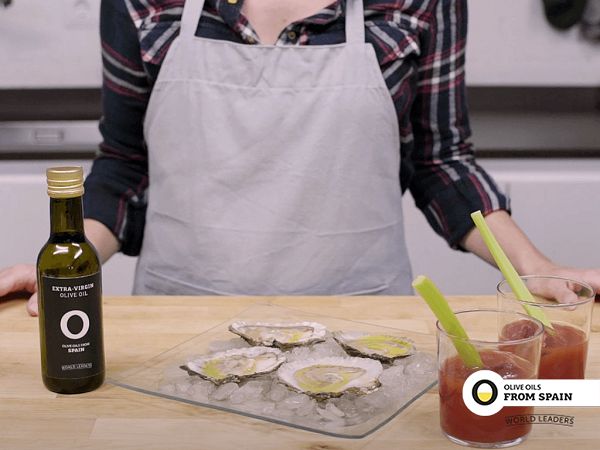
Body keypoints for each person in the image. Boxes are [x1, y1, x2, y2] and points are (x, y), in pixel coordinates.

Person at [1, 0, 599, 316]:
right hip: (178, 328)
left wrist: (532, 265)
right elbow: (126, 168)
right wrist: (67, 263)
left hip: (365, 327)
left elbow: (441, 162)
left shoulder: (418, 2)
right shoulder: (143, 1)